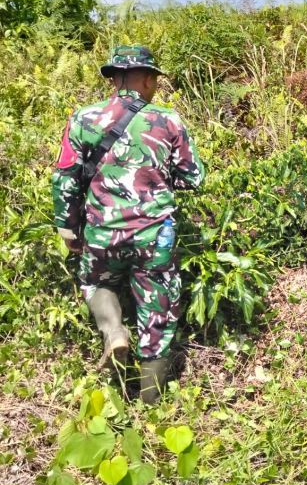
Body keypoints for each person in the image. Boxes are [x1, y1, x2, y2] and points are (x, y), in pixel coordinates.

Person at [52, 45, 205, 404]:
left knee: (94, 281)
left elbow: (65, 178)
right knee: (158, 314)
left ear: (114, 79)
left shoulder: (83, 118)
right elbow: (193, 177)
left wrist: (68, 227)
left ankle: (114, 331)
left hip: (101, 232)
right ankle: (151, 404)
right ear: (149, 79)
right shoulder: (168, 120)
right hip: (154, 235)